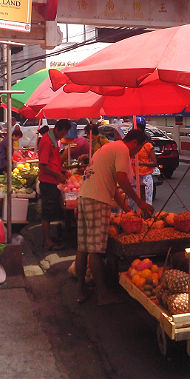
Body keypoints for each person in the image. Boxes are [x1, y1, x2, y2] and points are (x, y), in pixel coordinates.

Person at [75, 129, 153, 305]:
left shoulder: (109, 147)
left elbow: (113, 185)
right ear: (135, 143)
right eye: (138, 149)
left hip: (84, 197)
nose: (135, 153)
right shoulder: (123, 150)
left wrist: (126, 208)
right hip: (97, 201)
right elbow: (122, 179)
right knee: (95, 249)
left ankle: (80, 290)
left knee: (83, 247)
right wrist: (140, 203)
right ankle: (103, 294)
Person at [37, 118, 71, 251]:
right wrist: (58, 175)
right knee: (47, 212)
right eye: (65, 132)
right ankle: (47, 242)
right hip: (48, 182)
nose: (64, 135)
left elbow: (53, 162)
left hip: (53, 182)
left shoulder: (53, 140)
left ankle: (51, 238)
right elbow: (43, 165)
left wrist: (62, 170)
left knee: (52, 212)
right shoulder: (47, 141)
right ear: (59, 129)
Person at [129, 117, 157, 205]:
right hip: (133, 176)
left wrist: (142, 163)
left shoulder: (147, 145)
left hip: (146, 177)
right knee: (131, 203)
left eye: (139, 129)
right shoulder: (131, 144)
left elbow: (154, 163)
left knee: (147, 203)